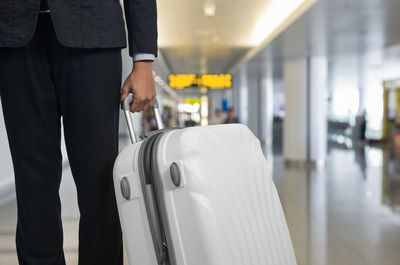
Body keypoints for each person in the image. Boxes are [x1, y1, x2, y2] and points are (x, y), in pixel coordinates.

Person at [0, 0, 157, 264]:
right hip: (14, 36)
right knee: (32, 185)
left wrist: (144, 61)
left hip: (94, 33)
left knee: (99, 183)